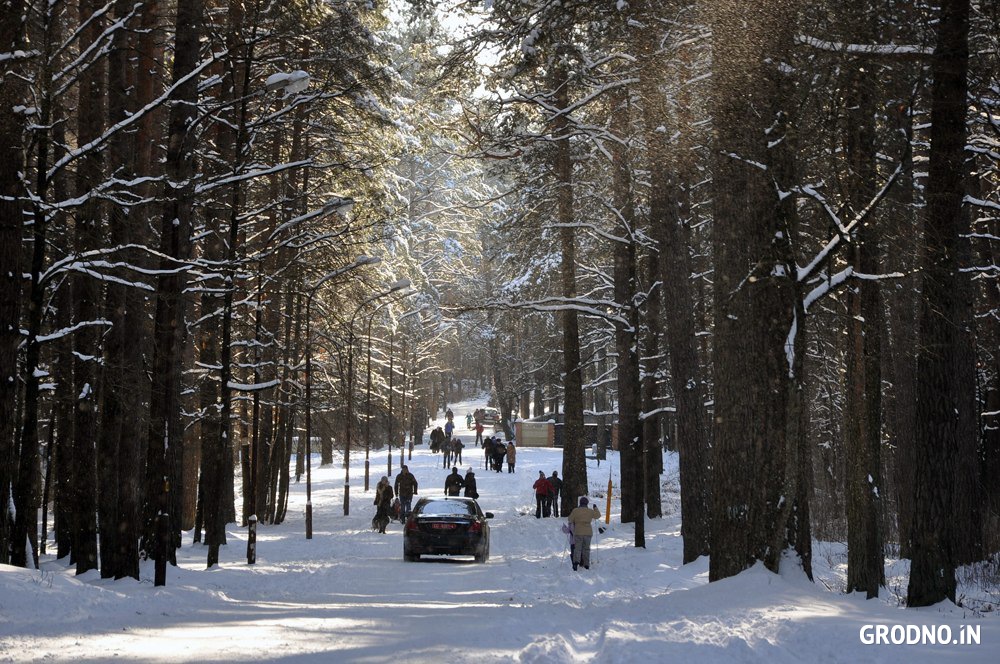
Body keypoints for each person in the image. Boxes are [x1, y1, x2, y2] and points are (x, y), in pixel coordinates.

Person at [567, 496, 601, 570]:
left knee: (577, 548)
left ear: (580, 503)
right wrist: (595, 508)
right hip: (588, 532)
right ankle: (586, 564)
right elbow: (598, 515)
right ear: (587, 503)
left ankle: (575, 563)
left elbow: (569, 519)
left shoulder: (575, 511)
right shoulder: (590, 511)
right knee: (586, 549)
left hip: (578, 532)